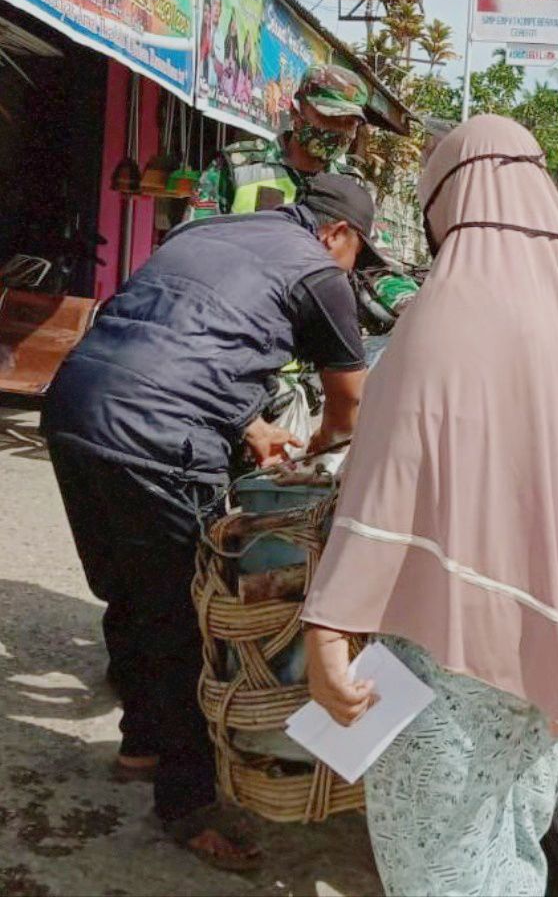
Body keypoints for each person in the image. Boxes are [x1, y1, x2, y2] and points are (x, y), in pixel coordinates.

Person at [300, 115, 558, 896]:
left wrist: (331, 626)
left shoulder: (452, 308)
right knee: (510, 835)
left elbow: (388, 479)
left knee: (435, 865)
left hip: (456, 647)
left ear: (450, 197)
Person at [41, 174, 376, 871]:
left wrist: (247, 423)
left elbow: (169, 338)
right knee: (190, 620)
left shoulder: (209, 230)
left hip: (75, 405)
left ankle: (140, 745)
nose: (355, 272)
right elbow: (349, 411)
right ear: (338, 234)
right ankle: (188, 805)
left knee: (131, 590)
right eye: (359, 255)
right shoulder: (321, 271)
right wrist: (317, 450)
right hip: (156, 437)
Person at [185, 63, 368, 220]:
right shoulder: (238, 167)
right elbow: (193, 241)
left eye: (349, 123)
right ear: (296, 112)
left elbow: (377, 255)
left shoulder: (352, 185)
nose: (338, 130)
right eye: (329, 118)